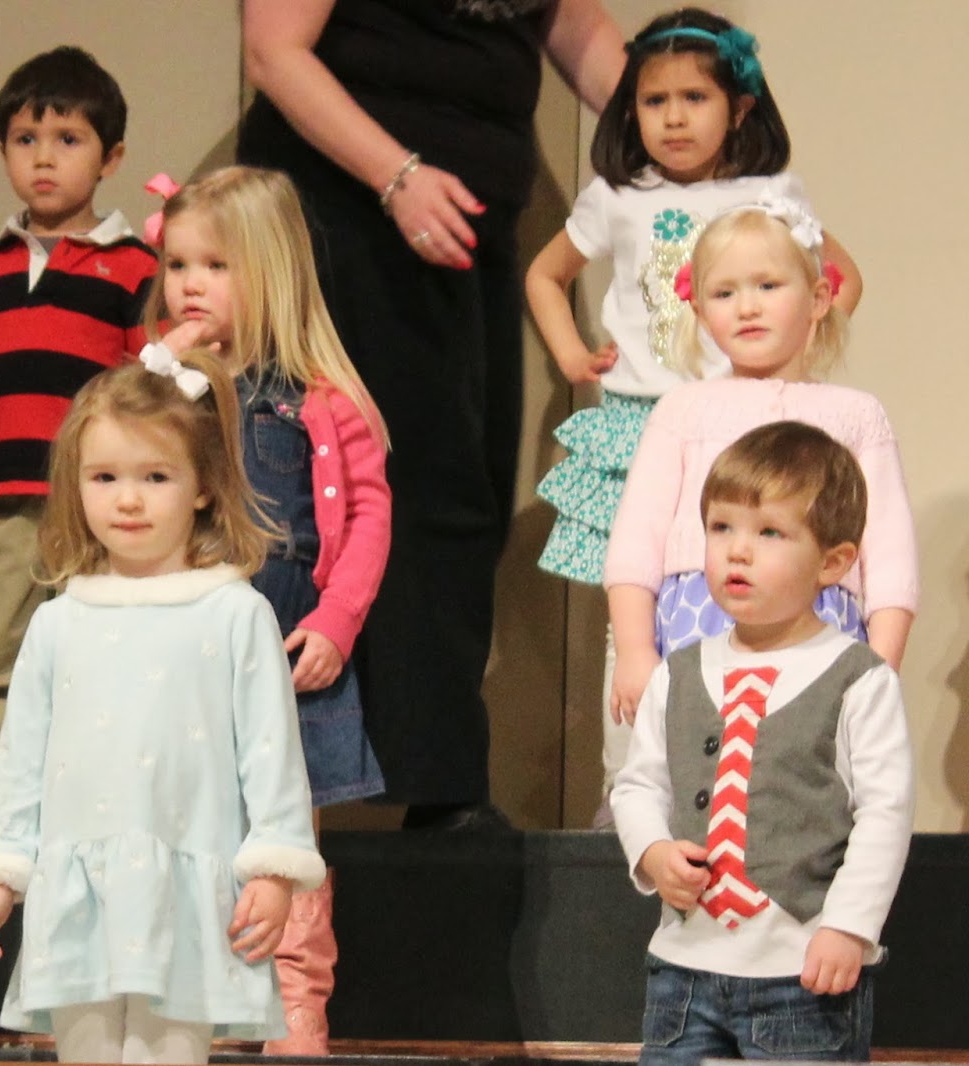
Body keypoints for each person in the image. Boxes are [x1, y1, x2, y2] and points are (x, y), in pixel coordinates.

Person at [237, 0, 626, 829]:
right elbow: (275, 52)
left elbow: (584, 35)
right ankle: (409, 791)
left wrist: (713, 155)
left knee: (467, 498)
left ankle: (439, 782)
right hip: (348, 214)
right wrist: (396, 176)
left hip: (467, 226)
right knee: (382, 493)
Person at [523, 7, 862, 822]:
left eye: (694, 98)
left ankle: (742, 790)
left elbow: (840, 277)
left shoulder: (769, 194)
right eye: (654, 101)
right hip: (642, 423)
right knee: (633, 613)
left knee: (737, 599)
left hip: (741, 430)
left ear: (739, 107)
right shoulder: (618, 196)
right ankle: (626, 792)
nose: (673, 118)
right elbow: (545, 274)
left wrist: (795, 358)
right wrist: (572, 354)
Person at [0, 351, 323, 1065]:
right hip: (78, 900)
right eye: (105, 478)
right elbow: (20, 764)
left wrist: (273, 871)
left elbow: (272, 753)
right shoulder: (59, 621)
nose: (128, 500)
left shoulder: (234, 614)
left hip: (185, 899)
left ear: (203, 486)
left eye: (155, 477)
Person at [142, 164, 390, 1055]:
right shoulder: (164, 390)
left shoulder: (319, 396)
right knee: (189, 832)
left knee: (289, 844)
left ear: (271, 271)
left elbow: (369, 514)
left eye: (215, 265)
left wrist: (336, 621)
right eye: (177, 264)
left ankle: (295, 1013)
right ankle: (193, 1007)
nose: (190, 285)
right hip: (189, 646)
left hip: (288, 647)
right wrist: (162, 378)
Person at [610, 420, 914, 1064]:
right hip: (683, 972)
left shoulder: (858, 678)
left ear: (833, 562)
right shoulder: (679, 672)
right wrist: (654, 852)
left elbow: (884, 813)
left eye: (770, 533)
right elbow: (638, 785)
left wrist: (849, 927)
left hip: (801, 973)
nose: (737, 552)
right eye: (721, 527)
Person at [0, 45, 158, 807]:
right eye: (26, 139)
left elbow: (151, 391)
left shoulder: (134, 265)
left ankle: (85, 802)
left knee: (94, 651)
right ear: (3, 152)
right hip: (0, 502)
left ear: (111, 157)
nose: (44, 158)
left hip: (93, 506)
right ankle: (6, 803)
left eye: (68, 139)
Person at [604, 199, 917, 732]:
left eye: (768, 286)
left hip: (821, 626)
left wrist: (879, 668)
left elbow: (889, 553)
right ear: (700, 310)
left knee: (803, 765)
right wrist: (635, 649)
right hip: (698, 625)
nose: (747, 307)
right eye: (724, 293)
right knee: (697, 763)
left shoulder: (856, 416)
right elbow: (636, 542)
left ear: (819, 298)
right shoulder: (682, 410)